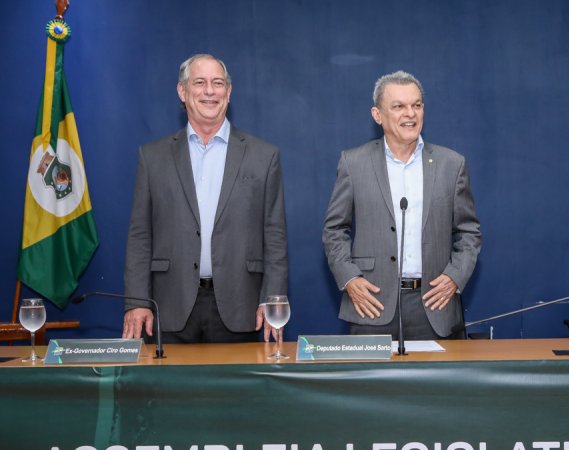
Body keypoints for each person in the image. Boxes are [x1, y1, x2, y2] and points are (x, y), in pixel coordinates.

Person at [123, 54, 288, 343]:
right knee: (168, 390)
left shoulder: (264, 156)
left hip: (241, 306)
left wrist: (273, 299)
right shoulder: (152, 157)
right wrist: (137, 301)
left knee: (235, 390)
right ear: (182, 91)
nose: (209, 91)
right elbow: (140, 236)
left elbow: (274, 236)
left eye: (218, 83)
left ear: (229, 91)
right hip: (169, 305)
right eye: (199, 83)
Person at [322, 71, 481, 339]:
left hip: (434, 306)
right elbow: (334, 230)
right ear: (377, 115)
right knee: (370, 383)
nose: (410, 113)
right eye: (398, 106)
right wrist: (349, 278)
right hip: (371, 304)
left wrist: (455, 276)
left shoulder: (451, 164)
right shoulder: (353, 162)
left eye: (416, 105)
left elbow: (469, 232)